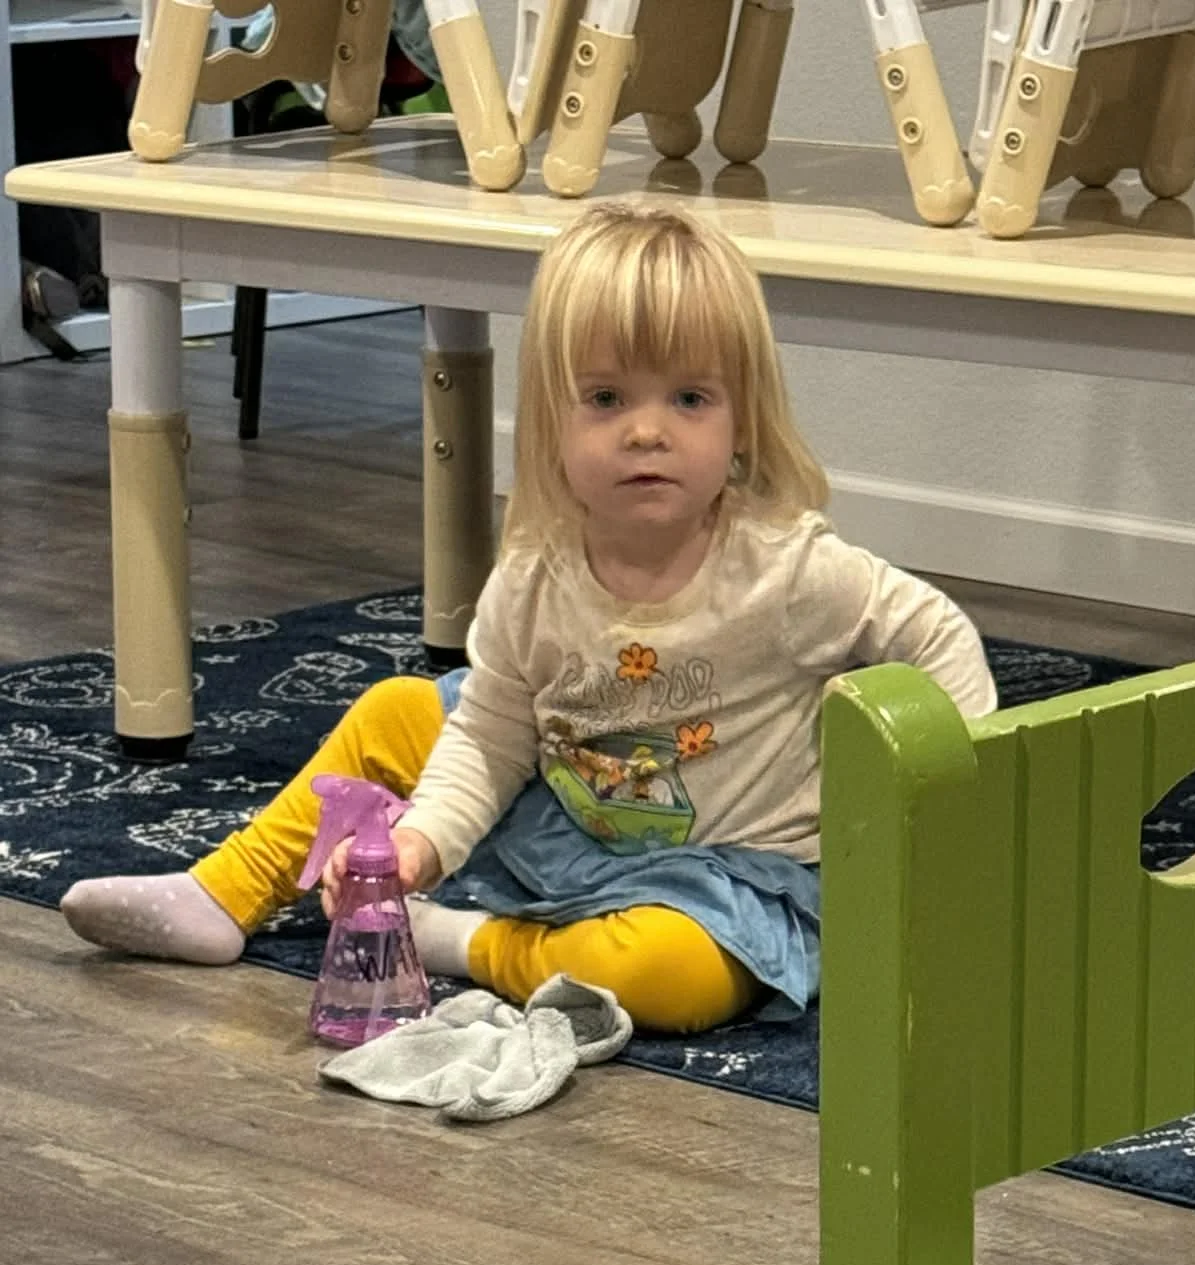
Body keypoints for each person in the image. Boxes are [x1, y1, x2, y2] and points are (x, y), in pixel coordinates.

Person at [62, 200, 997, 1034]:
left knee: (662, 979)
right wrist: (424, 842)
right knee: (402, 711)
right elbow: (494, 738)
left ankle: (460, 943)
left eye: (690, 398)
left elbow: (937, 636)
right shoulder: (534, 578)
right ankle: (227, 895)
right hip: (568, 822)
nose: (646, 429)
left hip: (727, 880)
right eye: (605, 398)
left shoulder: (790, 572)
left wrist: (959, 799)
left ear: (742, 420)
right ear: (550, 419)